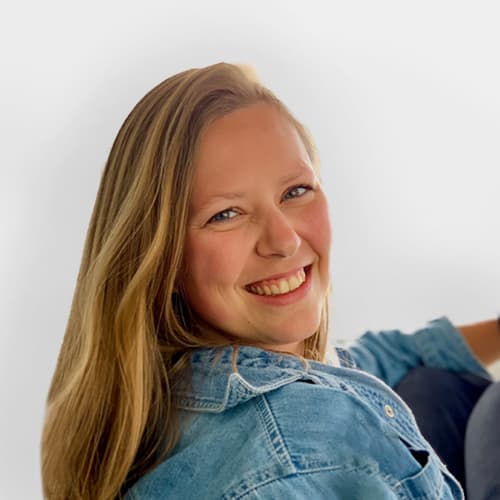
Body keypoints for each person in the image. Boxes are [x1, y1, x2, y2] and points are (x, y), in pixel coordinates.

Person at [40, 62, 500, 500]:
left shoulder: (172, 400)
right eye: (226, 214)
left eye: (296, 191)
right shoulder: (309, 452)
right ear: (161, 260)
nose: (284, 240)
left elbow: (370, 357)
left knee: (432, 391)